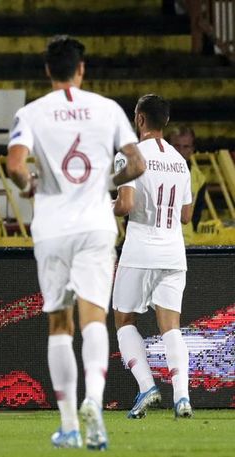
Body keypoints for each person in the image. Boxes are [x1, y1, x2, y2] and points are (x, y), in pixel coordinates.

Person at [6, 35, 146, 450]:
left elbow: (14, 165)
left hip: (51, 228)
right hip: (96, 226)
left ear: (48, 70)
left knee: (59, 324)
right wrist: (109, 180)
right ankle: (94, 404)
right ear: (81, 69)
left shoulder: (30, 112)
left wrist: (29, 184)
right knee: (93, 317)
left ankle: (68, 425)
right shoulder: (108, 109)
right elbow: (136, 163)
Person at [113, 94, 193, 420]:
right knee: (171, 326)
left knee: (124, 320)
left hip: (141, 249)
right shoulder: (180, 160)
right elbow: (186, 215)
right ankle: (183, 397)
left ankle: (147, 386)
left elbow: (126, 205)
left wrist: (108, 208)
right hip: (174, 253)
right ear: (166, 122)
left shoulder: (129, 156)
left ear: (140, 120)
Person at [166, 126, 206, 243]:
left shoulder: (199, 179)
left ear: (192, 149)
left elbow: (197, 213)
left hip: (186, 241)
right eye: (177, 146)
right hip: (161, 238)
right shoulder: (156, 171)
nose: (181, 151)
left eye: (186, 147)